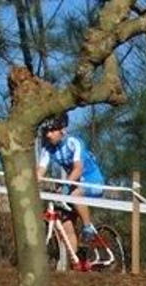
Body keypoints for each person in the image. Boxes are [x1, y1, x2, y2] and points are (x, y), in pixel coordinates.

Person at [37, 114, 108, 271]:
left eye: (52, 130)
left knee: (75, 193)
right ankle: (75, 262)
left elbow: (78, 168)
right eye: (46, 131)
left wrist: (64, 184)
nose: (48, 134)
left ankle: (88, 226)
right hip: (74, 184)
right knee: (66, 222)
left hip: (93, 182)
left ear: (62, 130)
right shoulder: (48, 149)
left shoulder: (73, 142)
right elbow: (40, 172)